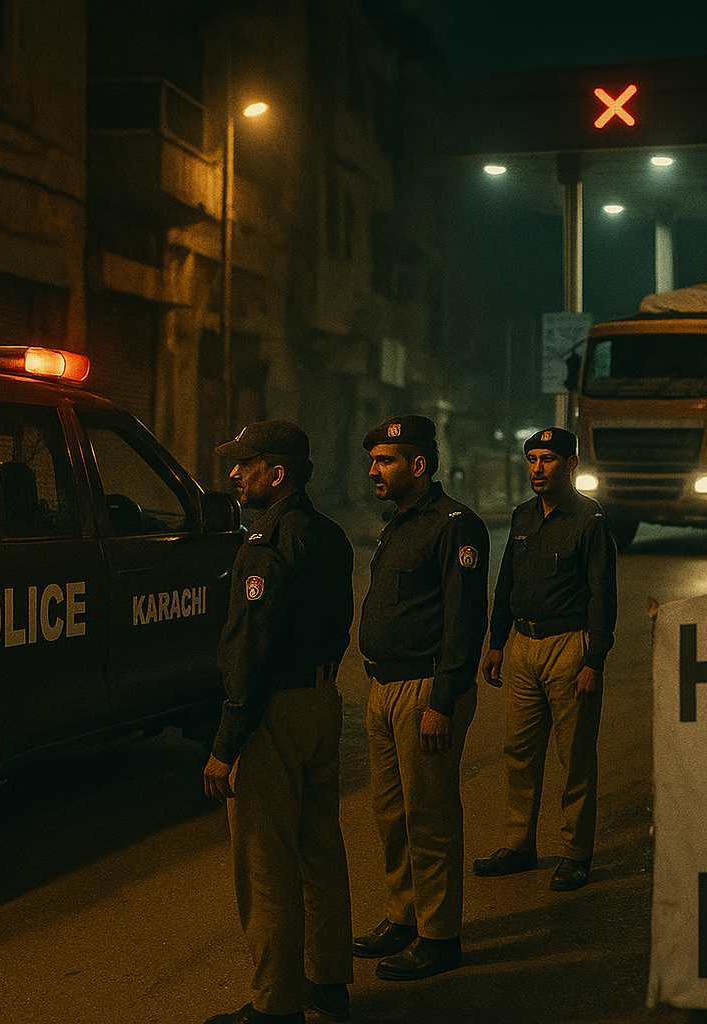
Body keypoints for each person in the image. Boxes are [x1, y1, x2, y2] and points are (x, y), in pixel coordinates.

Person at [203, 420, 354, 1024]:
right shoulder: (330, 535)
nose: (234, 475)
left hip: (273, 715)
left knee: (265, 865)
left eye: (245, 464)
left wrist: (225, 744)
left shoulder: (266, 545)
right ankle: (329, 981)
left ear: (277, 473)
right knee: (319, 848)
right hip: (321, 702)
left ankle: (274, 1005)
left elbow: (250, 652)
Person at [353, 415, 489, 981]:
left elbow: (463, 618)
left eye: (385, 460)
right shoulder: (399, 523)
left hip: (424, 691)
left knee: (429, 817)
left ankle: (439, 936)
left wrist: (442, 700)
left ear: (419, 465)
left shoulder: (455, 525)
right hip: (384, 687)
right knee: (392, 815)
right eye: (373, 460)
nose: (373, 470)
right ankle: (402, 916)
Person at [473, 427, 616, 892]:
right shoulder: (521, 518)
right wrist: (495, 642)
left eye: (548, 459)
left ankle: (575, 853)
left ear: (570, 465)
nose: (537, 468)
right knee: (519, 752)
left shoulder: (589, 520)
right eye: (532, 458)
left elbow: (602, 597)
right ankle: (519, 845)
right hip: (523, 647)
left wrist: (593, 660)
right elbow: (505, 585)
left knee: (574, 756)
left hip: (568, 647)